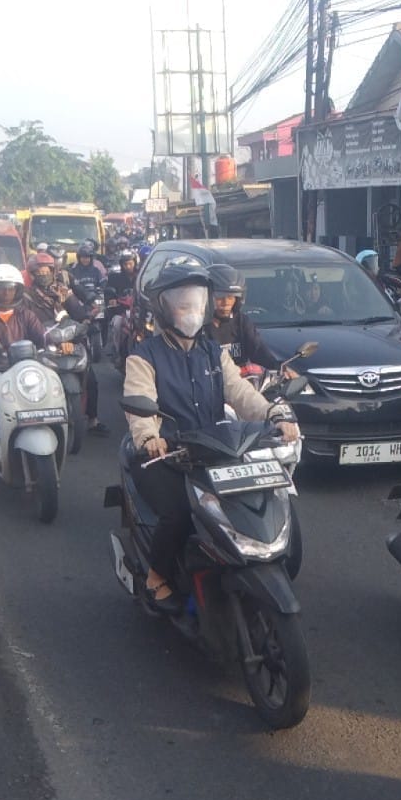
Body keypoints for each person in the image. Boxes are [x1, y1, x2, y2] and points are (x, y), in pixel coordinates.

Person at [124, 259, 300, 610]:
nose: (191, 310)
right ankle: (157, 577)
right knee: (178, 512)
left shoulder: (211, 351)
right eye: (182, 302)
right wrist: (149, 438)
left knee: (257, 494)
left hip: (214, 447)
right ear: (163, 306)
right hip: (167, 454)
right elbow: (138, 405)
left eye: (196, 301)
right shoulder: (143, 356)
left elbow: (241, 393)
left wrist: (274, 413)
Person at [25, 251, 108, 437]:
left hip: (69, 341)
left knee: (91, 379)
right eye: (39, 271)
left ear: (54, 271)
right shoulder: (26, 297)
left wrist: (88, 319)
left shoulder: (63, 291)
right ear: (32, 274)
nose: (43, 274)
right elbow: (26, 322)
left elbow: (78, 312)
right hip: (42, 344)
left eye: (47, 270)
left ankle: (93, 419)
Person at [207, 263, 281, 371]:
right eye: (220, 297)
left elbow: (260, 352)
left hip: (240, 383)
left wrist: (281, 369)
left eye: (231, 297)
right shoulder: (198, 328)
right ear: (207, 298)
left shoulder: (241, 322)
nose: (226, 302)